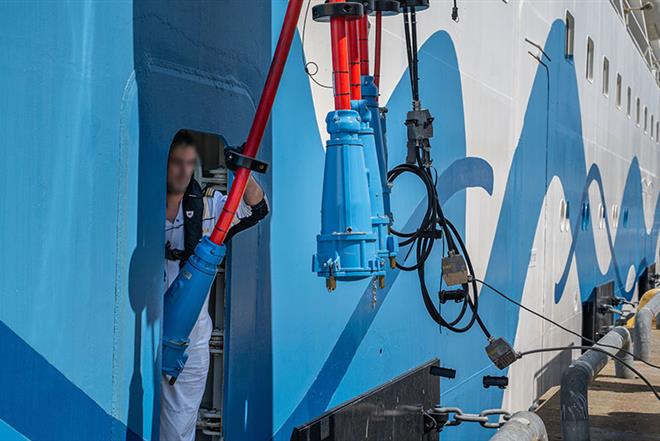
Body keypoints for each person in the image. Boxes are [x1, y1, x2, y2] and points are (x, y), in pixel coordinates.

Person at [161, 130, 268, 441]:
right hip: (145, 335)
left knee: (178, 431)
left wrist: (241, 170)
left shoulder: (207, 209)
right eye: (176, 162)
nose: (183, 171)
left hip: (187, 344)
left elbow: (256, 209)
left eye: (189, 163)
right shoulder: (143, 203)